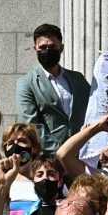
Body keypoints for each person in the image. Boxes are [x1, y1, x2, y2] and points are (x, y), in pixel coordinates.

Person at [17, 22, 90, 152]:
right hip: (49, 159)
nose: (47, 50)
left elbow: (98, 102)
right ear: (35, 49)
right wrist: (60, 152)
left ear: (61, 48)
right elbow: (30, 125)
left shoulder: (78, 79)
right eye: (42, 47)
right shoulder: (26, 83)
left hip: (82, 153)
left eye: (52, 46)